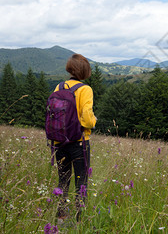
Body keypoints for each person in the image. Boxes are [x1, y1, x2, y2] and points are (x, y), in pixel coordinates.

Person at [54, 54, 96, 222]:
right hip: (79, 142)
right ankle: (79, 220)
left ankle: (60, 219)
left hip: (59, 141)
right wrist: (93, 121)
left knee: (63, 180)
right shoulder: (85, 89)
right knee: (81, 183)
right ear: (85, 71)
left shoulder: (59, 87)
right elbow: (86, 118)